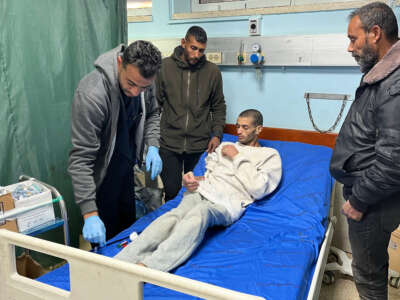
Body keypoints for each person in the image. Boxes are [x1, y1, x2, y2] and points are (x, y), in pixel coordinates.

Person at [115, 109, 282, 272]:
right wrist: (192, 180)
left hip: (227, 203)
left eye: (245, 127)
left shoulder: (269, 155)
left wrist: (237, 157)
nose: (238, 131)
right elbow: (211, 175)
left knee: (199, 214)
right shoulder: (226, 145)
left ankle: (150, 266)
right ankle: (122, 260)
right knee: (173, 216)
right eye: (237, 126)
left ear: (258, 129)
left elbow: (259, 189)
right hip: (203, 191)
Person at [330, 2, 400, 299]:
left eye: (352, 39)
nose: (349, 48)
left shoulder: (394, 85)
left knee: (369, 279)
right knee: (371, 271)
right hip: (370, 194)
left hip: (372, 201)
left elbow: (394, 161)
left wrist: (358, 201)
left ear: (375, 33)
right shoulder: (381, 73)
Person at [68, 41, 163, 247]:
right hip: (101, 181)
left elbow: (154, 114)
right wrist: (90, 213)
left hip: (126, 172)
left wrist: (153, 146)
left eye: (143, 87)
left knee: (126, 236)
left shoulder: (145, 80)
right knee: (105, 243)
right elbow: (81, 160)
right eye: (131, 83)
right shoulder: (92, 95)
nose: (136, 92)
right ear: (120, 62)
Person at [155, 25, 226, 202]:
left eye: (201, 51)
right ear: (183, 43)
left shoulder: (212, 72)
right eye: (193, 48)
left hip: (199, 144)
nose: (196, 55)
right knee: (171, 193)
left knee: (196, 193)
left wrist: (217, 135)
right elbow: (154, 106)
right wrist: (152, 141)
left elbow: (218, 106)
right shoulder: (164, 67)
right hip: (169, 143)